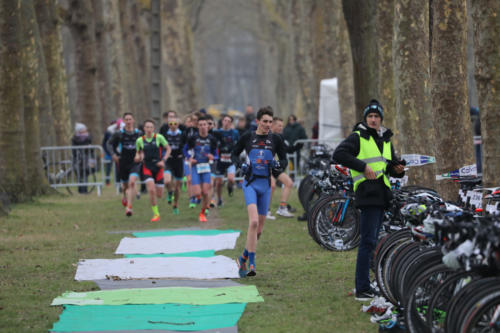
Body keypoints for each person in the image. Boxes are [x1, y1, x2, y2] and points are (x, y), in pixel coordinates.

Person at [332, 99, 405, 301]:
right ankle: (362, 288)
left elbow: (387, 166)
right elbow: (339, 154)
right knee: (367, 242)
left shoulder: (386, 139)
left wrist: (397, 170)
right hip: (367, 195)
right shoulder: (358, 137)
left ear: (381, 119)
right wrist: (363, 167)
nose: (373, 119)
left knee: (372, 242)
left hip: (382, 196)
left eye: (376, 116)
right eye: (370, 116)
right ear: (366, 119)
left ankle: (368, 284)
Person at [232, 106, 287, 277]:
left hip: (266, 185)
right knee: (253, 222)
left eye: (270, 122)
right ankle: (252, 265)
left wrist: (279, 165)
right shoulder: (248, 137)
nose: (268, 125)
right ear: (257, 121)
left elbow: (284, 159)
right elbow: (233, 154)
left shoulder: (276, 139)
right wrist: (239, 165)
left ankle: (242, 258)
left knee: (259, 231)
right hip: (250, 183)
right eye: (265, 121)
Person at [107, 113, 142, 216]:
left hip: (135, 162)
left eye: (130, 119)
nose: (128, 121)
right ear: (123, 121)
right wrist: (113, 154)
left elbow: (144, 146)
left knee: (132, 183)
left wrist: (140, 155)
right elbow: (108, 144)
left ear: (133, 120)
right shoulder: (119, 134)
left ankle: (129, 208)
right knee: (125, 186)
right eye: (126, 119)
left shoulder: (139, 133)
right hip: (122, 162)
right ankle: (124, 196)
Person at [135, 119, 171, 222]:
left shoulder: (159, 137)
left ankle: (168, 193)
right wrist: (138, 157)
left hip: (158, 167)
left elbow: (168, 149)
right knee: (151, 190)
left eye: (151, 127)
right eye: (147, 127)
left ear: (153, 128)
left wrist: (163, 160)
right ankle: (156, 214)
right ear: (144, 128)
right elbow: (138, 152)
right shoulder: (140, 140)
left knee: (159, 194)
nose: (149, 129)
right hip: (147, 167)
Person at [184, 116, 218, 222]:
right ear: (197, 126)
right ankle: (198, 199)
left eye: (205, 125)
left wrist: (213, 157)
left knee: (205, 192)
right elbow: (185, 150)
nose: (203, 127)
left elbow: (216, 154)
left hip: (206, 167)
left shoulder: (212, 139)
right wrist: (190, 158)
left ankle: (202, 214)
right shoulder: (193, 138)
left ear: (208, 126)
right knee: (198, 193)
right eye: (201, 125)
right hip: (195, 167)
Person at [270, 117, 295, 218]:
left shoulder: (279, 137)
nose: (281, 128)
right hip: (264, 167)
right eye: (279, 126)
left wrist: (296, 148)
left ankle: (282, 208)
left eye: (282, 126)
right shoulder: (267, 136)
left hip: (274, 166)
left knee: (289, 182)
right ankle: (265, 210)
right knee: (271, 186)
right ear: (273, 125)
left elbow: (285, 149)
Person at [214, 114, 240, 207]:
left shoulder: (235, 133)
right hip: (220, 161)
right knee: (219, 182)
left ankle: (230, 188)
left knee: (230, 179)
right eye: (225, 120)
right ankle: (220, 199)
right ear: (222, 121)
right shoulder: (217, 132)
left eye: (229, 121)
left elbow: (239, 144)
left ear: (231, 123)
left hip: (230, 160)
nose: (226, 123)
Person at [161, 116, 185, 214]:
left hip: (178, 161)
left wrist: (182, 154)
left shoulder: (182, 135)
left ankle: (175, 204)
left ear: (178, 125)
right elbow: (161, 147)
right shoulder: (165, 135)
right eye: (171, 124)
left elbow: (186, 146)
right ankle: (169, 191)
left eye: (175, 124)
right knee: (167, 181)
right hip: (169, 161)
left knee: (177, 187)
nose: (173, 126)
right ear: (168, 125)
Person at [72, 123, 94, 194]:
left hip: (86, 158)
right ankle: (80, 190)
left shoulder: (88, 137)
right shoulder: (75, 138)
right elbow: (73, 150)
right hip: (78, 158)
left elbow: (91, 148)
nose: (85, 130)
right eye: (83, 129)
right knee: (79, 175)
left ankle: (85, 190)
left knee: (85, 174)